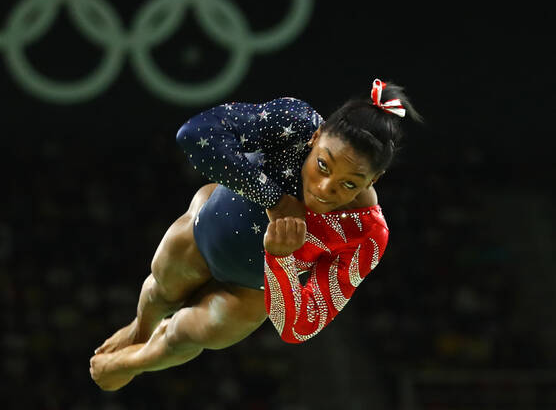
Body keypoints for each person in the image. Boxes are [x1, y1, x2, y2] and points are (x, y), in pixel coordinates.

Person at [90, 79, 421, 391]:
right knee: (162, 290)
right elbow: (193, 135)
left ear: (374, 181)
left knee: (187, 335)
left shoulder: (365, 234)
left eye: (350, 184)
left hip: (249, 289)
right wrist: (275, 201)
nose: (324, 189)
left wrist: (280, 260)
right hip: (208, 228)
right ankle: (139, 328)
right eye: (323, 165)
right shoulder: (294, 122)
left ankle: (131, 362)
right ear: (316, 137)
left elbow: (300, 327)